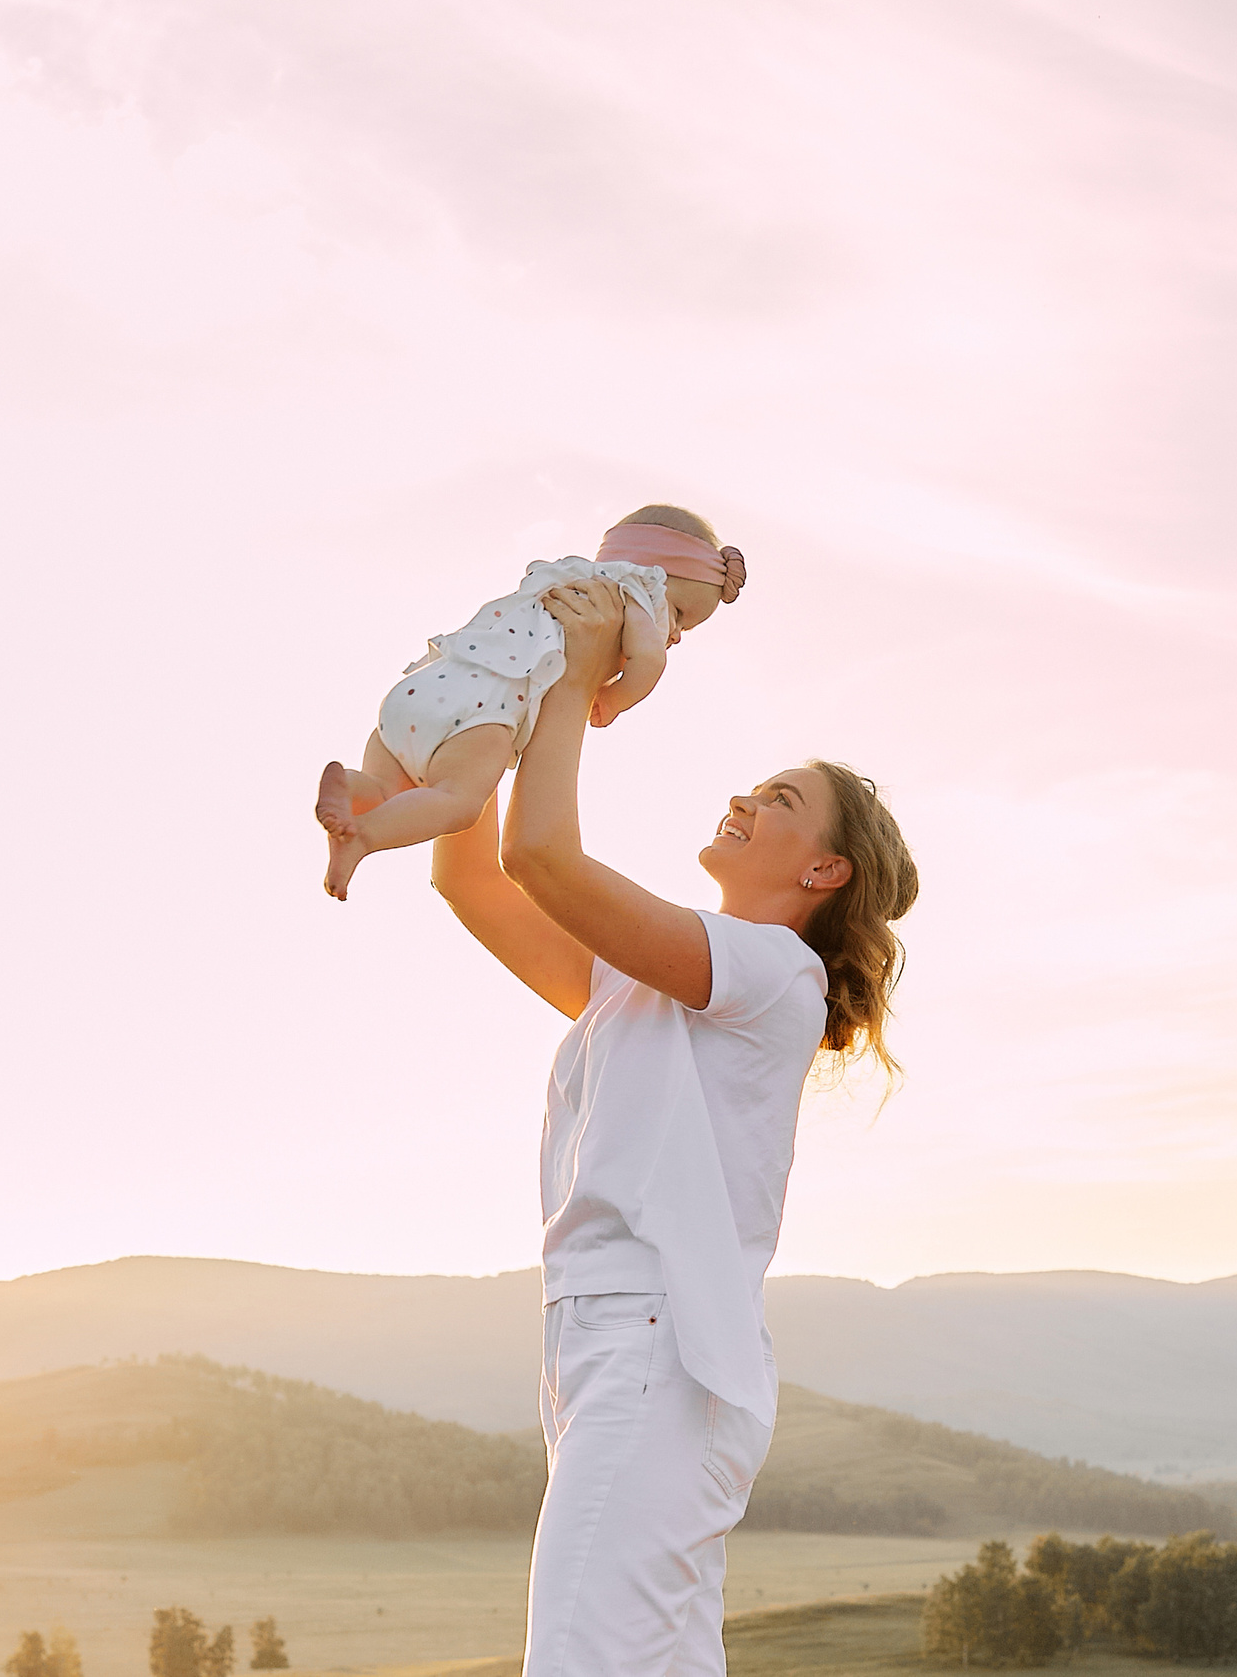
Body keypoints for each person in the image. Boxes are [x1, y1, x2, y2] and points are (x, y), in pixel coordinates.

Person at [430, 575, 920, 1677]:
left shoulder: (769, 971)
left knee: (582, 1660)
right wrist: (499, 686)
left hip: (654, 1343)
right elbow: (467, 875)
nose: (747, 797)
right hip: (606, 1340)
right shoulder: (642, 976)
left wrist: (572, 675)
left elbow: (538, 858)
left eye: (782, 800)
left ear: (821, 870)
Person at [313, 505, 748, 899]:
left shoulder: (562, 577)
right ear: (656, 574)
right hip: (482, 711)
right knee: (459, 802)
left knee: (388, 789)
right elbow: (650, 660)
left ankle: (352, 787)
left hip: (424, 687)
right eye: (681, 616)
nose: (674, 635)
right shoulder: (631, 592)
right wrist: (614, 698)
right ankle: (365, 836)